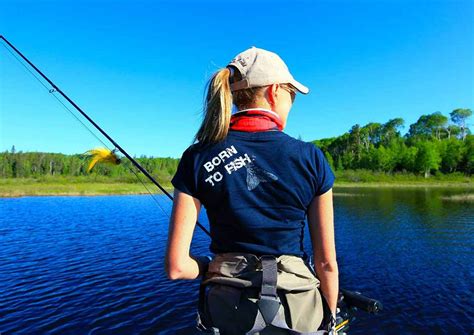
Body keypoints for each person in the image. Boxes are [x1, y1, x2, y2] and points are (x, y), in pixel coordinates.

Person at [165, 47, 339, 334]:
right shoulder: (311, 157)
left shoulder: (197, 157)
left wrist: (213, 265)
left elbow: (177, 267)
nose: (291, 104)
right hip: (297, 310)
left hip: (227, 310)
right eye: (291, 95)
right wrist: (330, 320)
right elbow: (326, 263)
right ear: (273, 92)